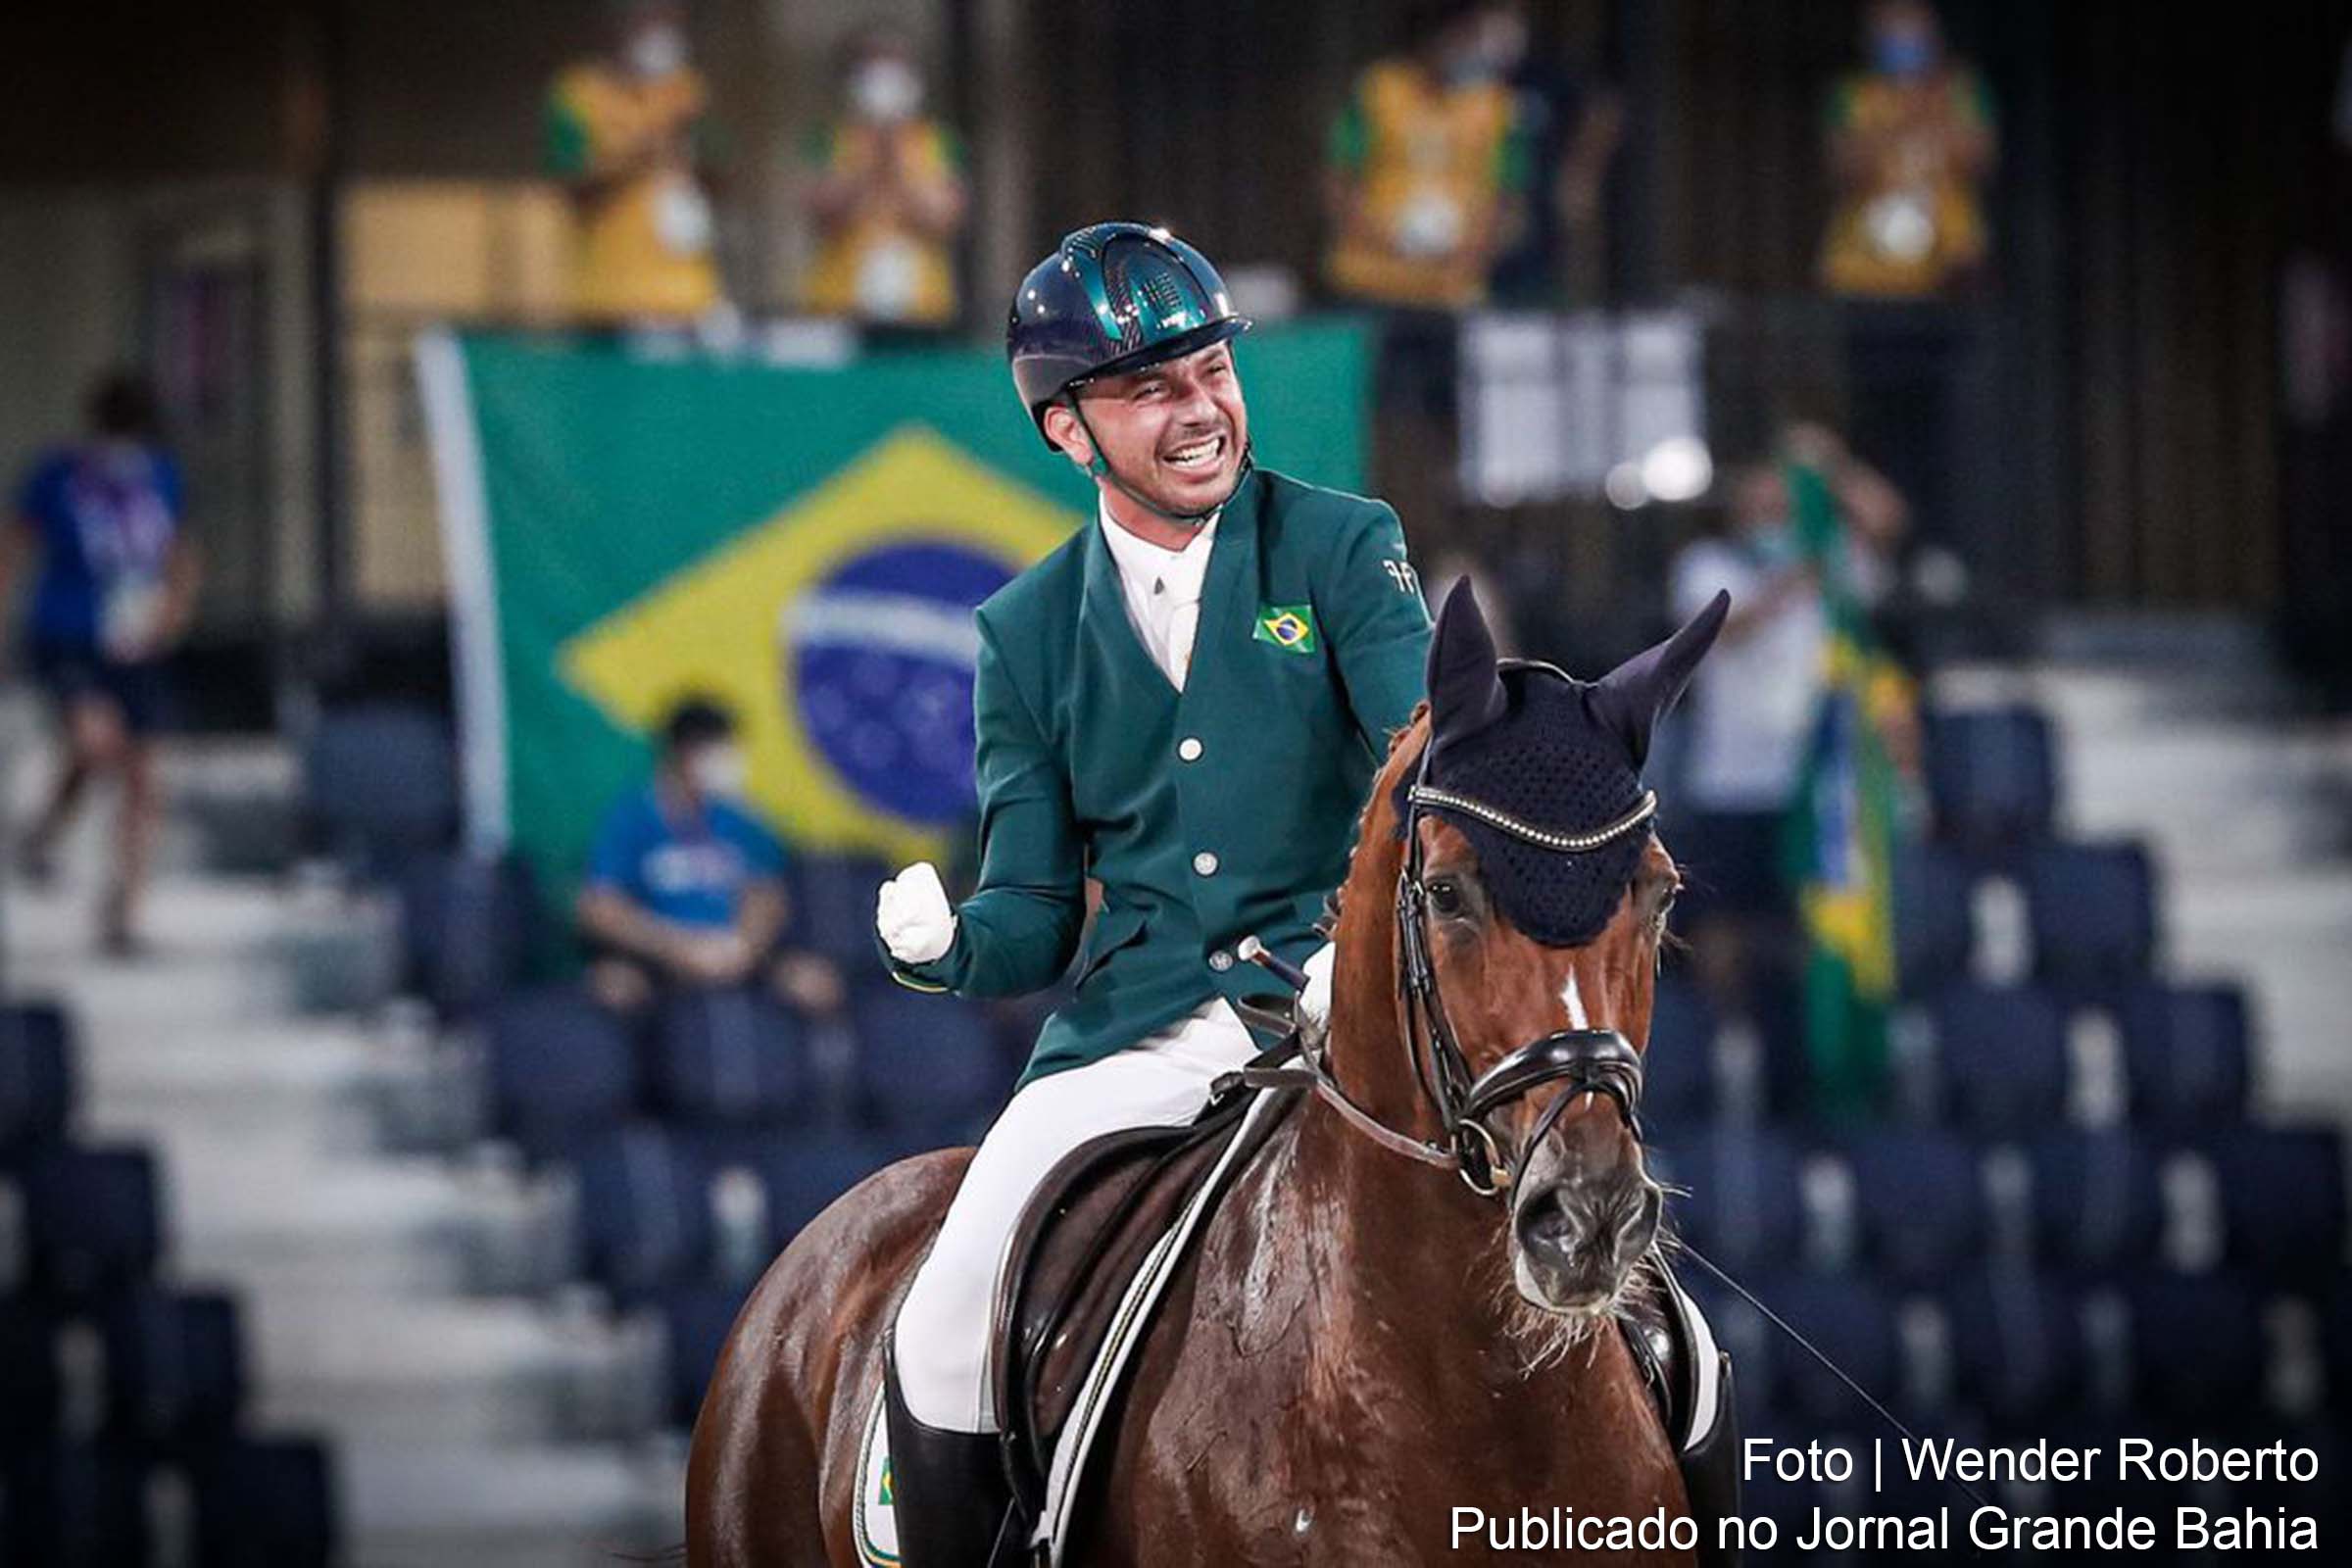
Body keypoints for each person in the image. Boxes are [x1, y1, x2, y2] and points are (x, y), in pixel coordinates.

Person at [870, 221, 1433, 1563]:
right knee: (945, 1315)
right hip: (1142, 1035)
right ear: (1066, 429)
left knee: (1639, 1299)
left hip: (1343, 1014)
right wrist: (945, 945)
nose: (1200, 410)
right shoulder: (1022, 631)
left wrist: (1358, 942)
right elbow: (1034, 914)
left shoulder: (1342, 544)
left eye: (1212, 371)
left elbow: (1427, 772)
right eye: (1149, 388)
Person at [1665, 426, 1905, 1003]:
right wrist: (1796, 579)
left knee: (1805, 922)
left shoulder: (1832, 566)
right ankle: (1723, 1034)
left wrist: (1833, 470)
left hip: (1809, 784)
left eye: (1782, 498)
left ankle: (1798, 1032)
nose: (1770, 510)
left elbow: (1888, 522)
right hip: (1731, 780)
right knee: (1721, 920)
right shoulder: (1706, 564)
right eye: (1760, 497)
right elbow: (1725, 629)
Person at [5, 371, 201, 956]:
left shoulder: (161, 476)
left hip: (133, 640)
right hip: (68, 634)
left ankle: (125, 910)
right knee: (95, 744)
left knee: (142, 773)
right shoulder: (58, 474)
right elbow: (14, 545)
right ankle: (47, 832)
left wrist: (172, 612)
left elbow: (181, 550)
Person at [577, 698, 842, 1017]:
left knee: (814, 983)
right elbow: (600, 907)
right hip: (657, 959)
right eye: (716, 751)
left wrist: (743, 946)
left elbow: (766, 893)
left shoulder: (737, 820)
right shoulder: (632, 818)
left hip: (737, 955)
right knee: (615, 987)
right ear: (683, 753)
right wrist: (680, 947)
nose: (727, 762)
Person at [1322, 0, 1538, 313]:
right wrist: (1388, 240)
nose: (1468, 47)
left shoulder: (1497, 106)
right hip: (1369, 284)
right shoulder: (1378, 91)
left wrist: (1471, 251)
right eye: (1461, 35)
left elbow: (1510, 201)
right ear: (1434, 35)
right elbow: (1339, 181)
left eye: (1473, 36)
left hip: (1453, 293)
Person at [543, 0, 726, 324]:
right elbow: (572, 191)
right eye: (654, 18)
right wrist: (642, 152)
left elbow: (721, 180)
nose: (666, 32)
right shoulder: (576, 94)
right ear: (622, 23)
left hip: (690, 298)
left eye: (674, 21)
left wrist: (692, 142)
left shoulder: (687, 88)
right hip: (609, 299)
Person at [1820, 0, 1996, 299]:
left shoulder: (1962, 89)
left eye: (1912, 33)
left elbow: (1980, 159)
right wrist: (1895, 125)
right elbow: (1842, 167)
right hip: (1866, 263)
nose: (1903, 43)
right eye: (1892, 33)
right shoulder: (1851, 95)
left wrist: (1931, 111)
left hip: (1951, 264)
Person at [799, 27, 968, 330]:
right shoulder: (828, 140)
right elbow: (822, 216)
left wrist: (896, 158)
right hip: (838, 303)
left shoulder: (938, 142)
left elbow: (943, 220)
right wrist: (866, 162)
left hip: (922, 306)